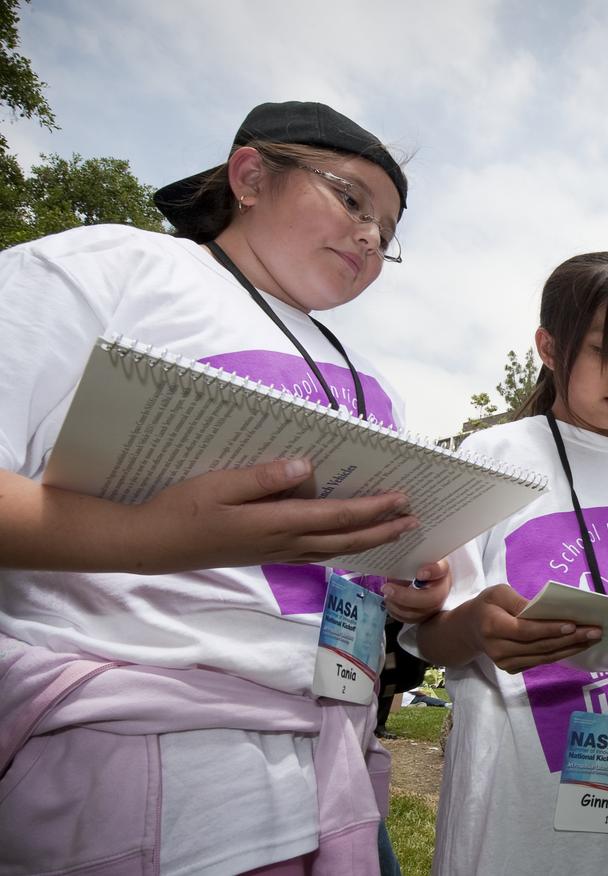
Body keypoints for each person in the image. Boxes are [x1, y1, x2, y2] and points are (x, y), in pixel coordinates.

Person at [0, 100, 450, 874]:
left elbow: (348, 562)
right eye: (351, 199)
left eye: (387, 228)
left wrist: (407, 578)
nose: (371, 236)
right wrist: (150, 538)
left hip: (334, 755)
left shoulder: (371, 382)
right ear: (250, 175)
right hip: (138, 741)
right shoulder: (110, 269)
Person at [398, 253, 608, 875]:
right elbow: (428, 632)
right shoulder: (492, 461)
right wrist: (475, 626)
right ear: (549, 348)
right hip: (518, 792)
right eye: (606, 350)